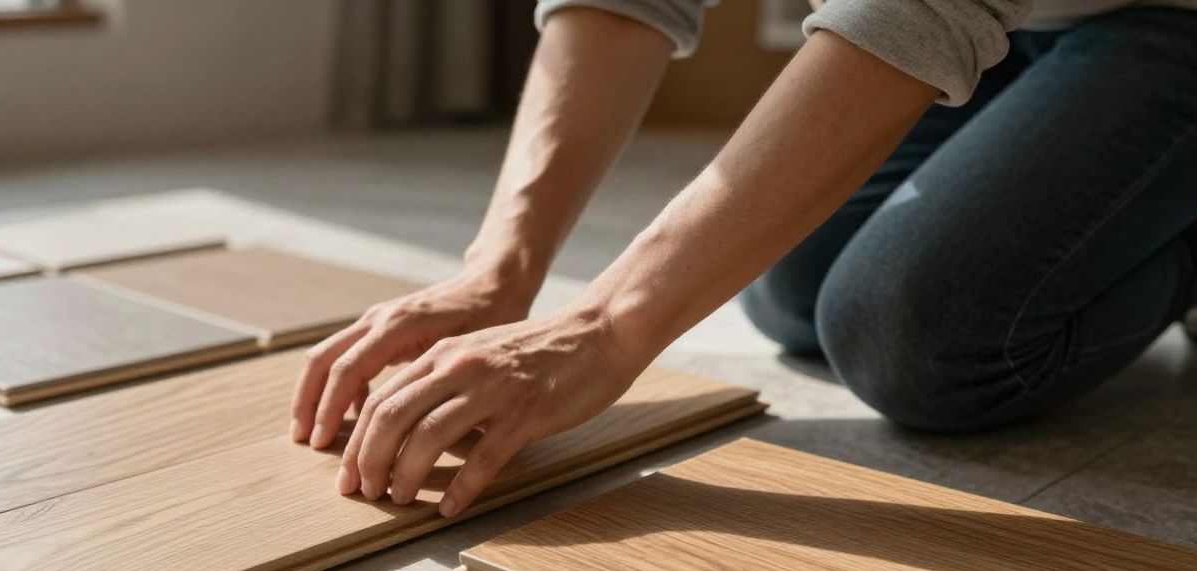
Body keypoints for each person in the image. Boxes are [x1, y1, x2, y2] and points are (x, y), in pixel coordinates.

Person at [291, 0, 1197, 518]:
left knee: (912, 336)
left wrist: (603, 325)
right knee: (789, 289)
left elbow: (920, 7)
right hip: (1028, 19)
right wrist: (500, 267)